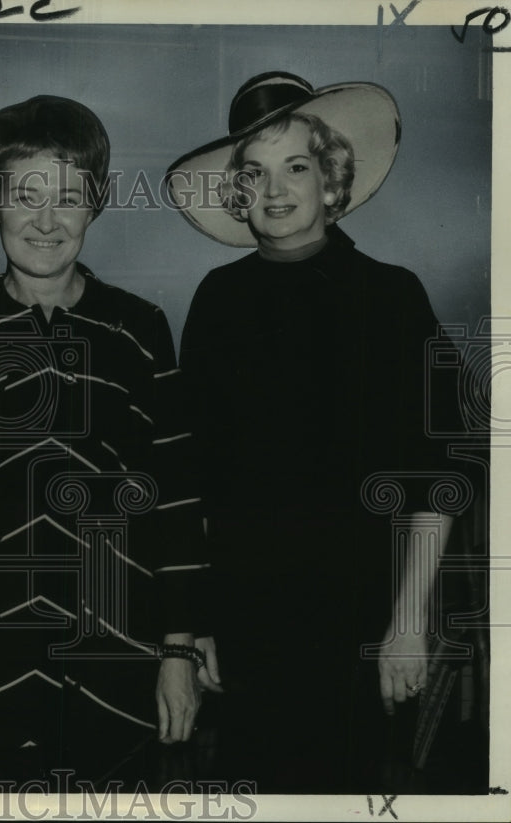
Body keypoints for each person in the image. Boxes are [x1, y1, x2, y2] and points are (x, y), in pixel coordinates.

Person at [0, 95, 217, 786]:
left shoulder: (139, 330)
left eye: (67, 197)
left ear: (96, 203)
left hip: (114, 671)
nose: (45, 219)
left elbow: (176, 503)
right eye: (24, 194)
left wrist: (177, 654)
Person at [168, 72, 468, 792]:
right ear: (238, 189)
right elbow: (193, 482)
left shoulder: (392, 297)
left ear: (330, 178)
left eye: (295, 166)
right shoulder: (218, 300)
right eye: (255, 171)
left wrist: (407, 623)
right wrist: (196, 625)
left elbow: (436, 475)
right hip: (246, 628)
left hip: (360, 626)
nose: (276, 189)